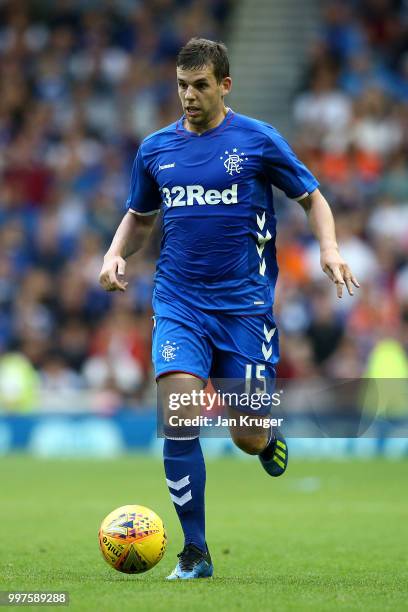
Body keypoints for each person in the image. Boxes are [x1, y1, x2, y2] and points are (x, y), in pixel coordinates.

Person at [99, 38, 359, 580]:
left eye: (198, 86)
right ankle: (195, 553)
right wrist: (114, 253)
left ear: (224, 85)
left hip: (244, 309)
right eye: (180, 86)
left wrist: (329, 250)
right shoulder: (155, 150)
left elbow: (313, 198)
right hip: (178, 302)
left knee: (245, 433)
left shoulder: (258, 140)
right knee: (178, 414)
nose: (187, 96)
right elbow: (140, 215)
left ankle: (265, 439)